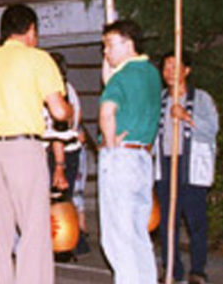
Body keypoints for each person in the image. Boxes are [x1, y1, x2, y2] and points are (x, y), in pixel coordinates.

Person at [0, 5, 69, 284]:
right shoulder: (39, 59)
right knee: (33, 230)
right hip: (24, 150)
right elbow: (59, 112)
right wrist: (68, 111)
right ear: (31, 30)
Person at [97, 20, 162, 284]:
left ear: (128, 43)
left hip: (121, 157)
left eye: (110, 45)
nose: (106, 52)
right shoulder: (150, 73)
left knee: (118, 238)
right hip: (143, 157)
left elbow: (106, 111)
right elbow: (108, 79)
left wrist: (110, 141)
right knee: (137, 234)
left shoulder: (123, 77)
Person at [155, 52, 218, 284]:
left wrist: (186, 116)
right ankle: (172, 269)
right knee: (167, 223)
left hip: (190, 166)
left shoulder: (201, 98)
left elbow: (212, 130)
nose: (170, 71)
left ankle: (198, 270)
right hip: (165, 164)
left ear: (187, 70)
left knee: (196, 222)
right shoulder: (159, 99)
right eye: (166, 67)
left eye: (175, 66)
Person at [44, 52, 84, 262]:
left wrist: (58, 163)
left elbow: (57, 127)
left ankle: (62, 245)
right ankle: (71, 243)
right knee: (64, 197)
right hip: (72, 149)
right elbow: (78, 116)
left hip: (58, 150)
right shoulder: (70, 90)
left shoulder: (54, 92)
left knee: (56, 197)